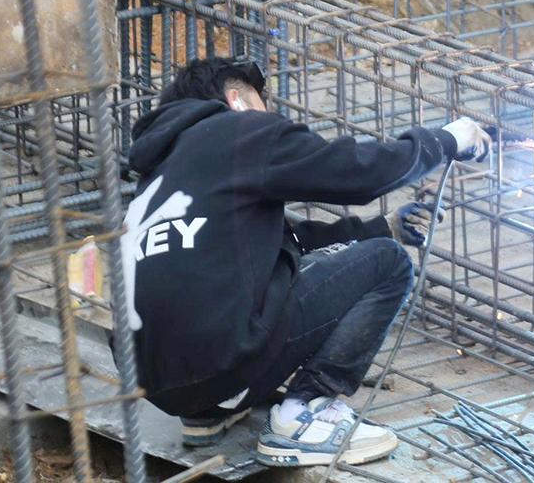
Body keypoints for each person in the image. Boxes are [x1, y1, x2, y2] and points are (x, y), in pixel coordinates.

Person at [122, 57, 490, 466]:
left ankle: (208, 411)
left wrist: (379, 228)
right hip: (221, 355)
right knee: (388, 264)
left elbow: (280, 241)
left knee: (367, 250)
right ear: (237, 99)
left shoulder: (164, 169)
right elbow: (356, 172)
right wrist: (445, 140)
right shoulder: (239, 130)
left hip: (156, 383)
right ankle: (304, 414)